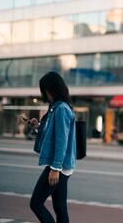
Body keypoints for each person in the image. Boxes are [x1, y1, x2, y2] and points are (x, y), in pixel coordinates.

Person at [28, 71, 76, 223]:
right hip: (62, 165)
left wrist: (55, 168)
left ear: (51, 89)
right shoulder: (58, 107)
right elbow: (53, 133)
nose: (44, 94)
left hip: (58, 166)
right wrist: (38, 126)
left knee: (36, 203)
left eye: (45, 90)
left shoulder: (61, 108)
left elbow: (61, 140)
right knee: (60, 207)